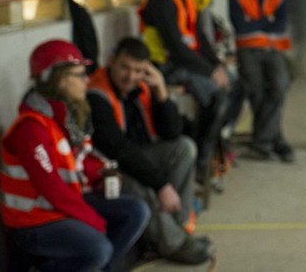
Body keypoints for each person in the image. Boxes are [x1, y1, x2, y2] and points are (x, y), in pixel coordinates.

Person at [0, 39, 150, 272]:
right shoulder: (31, 128)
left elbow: (75, 162)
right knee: (99, 248)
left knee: (137, 211)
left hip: (59, 208)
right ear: (56, 79)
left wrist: (100, 174)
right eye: (79, 75)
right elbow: (53, 189)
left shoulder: (63, 117)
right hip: (33, 223)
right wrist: (94, 221)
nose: (86, 81)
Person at [87, 37, 215, 265]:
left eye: (139, 70)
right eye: (124, 67)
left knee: (184, 148)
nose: (131, 76)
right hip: (108, 170)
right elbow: (120, 151)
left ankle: (178, 231)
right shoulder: (97, 95)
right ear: (111, 62)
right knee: (137, 182)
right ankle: (173, 243)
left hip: (137, 156)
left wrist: (161, 92)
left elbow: (172, 134)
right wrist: (162, 186)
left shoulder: (142, 88)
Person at [138, 0, 239, 183]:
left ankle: (216, 142)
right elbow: (175, 48)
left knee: (237, 86)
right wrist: (209, 73)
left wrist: (217, 66)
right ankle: (201, 158)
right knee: (217, 95)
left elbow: (200, 40)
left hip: (187, 64)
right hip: (166, 67)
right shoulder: (161, 0)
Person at [228, 0, 295, 162]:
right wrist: (267, 22)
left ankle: (263, 142)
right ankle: (276, 141)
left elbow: (280, 26)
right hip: (247, 52)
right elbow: (241, 27)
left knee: (279, 88)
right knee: (256, 94)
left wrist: (255, 23)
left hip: (273, 51)